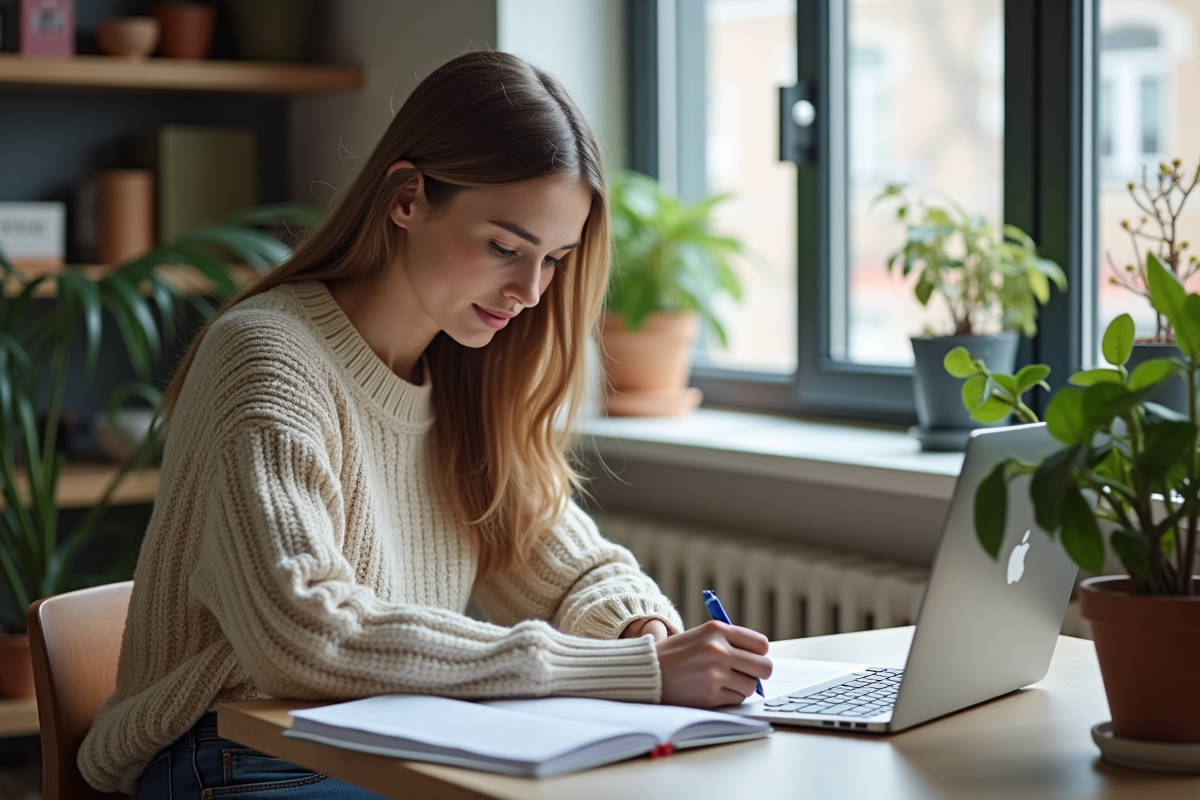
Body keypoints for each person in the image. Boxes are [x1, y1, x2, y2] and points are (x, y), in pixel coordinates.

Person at [78, 51, 772, 799]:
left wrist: (643, 635)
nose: (530, 292)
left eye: (555, 260)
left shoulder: (467, 377)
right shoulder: (268, 357)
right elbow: (304, 633)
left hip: (391, 746)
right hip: (239, 756)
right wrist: (630, 675)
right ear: (407, 197)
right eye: (505, 248)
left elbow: (571, 567)